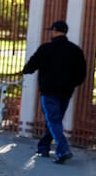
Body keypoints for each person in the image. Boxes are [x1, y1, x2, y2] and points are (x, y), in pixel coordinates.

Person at [21, 20, 87, 164]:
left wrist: (25, 70)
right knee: (54, 120)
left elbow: (31, 66)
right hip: (66, 91)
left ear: (55, 31)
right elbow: (82, 73)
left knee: (53, 120)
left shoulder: (46, 49)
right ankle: (43, 146)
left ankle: (63, 150)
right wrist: (72, 84)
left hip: (49, 91)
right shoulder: (75, 50)